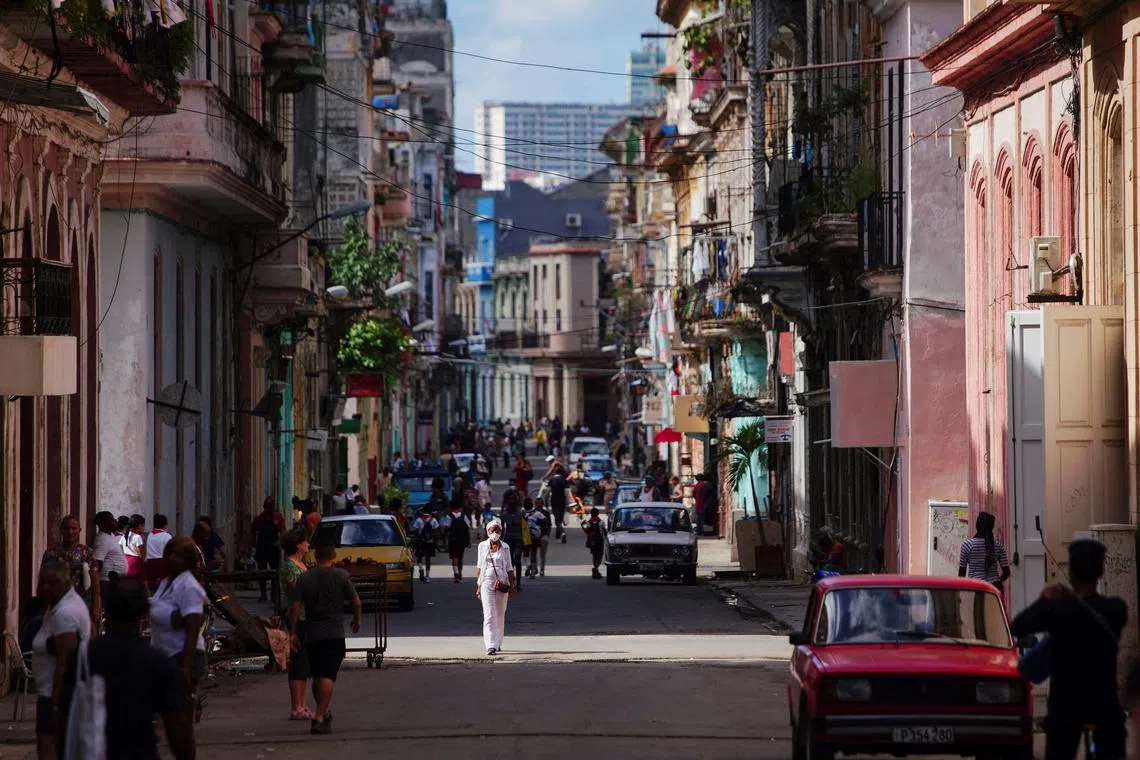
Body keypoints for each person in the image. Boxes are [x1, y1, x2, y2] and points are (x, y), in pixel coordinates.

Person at [1010, 539, 1128, 760]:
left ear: (1071, 571)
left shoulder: (1058, 611)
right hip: (1104, 706)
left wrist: (1045, 599)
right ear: (1101, 570)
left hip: (1066, 707)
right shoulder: (1115, 610)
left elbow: (1018, 626)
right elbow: (1090, 611)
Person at [59, 576, 193, 760]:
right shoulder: (157, 661)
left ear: (106, 608)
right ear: (144, 612)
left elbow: (64, 716)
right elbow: (176, 725)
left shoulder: (84, 655)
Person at [288, 539, 361, 735]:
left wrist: (292, 632)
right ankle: (319, 717)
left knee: (318, 676)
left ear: (315, 556)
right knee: (327, 676)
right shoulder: (341, 576)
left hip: (312, 634)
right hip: (334, 633)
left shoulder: (305, 578)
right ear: (333, 556)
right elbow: (356, 601)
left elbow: (295, 607)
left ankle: (324, 710)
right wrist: (357, 620)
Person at [148, 536, 208, 759]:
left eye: (178, 555)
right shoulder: (166, 583)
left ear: (189, 561)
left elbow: (193, 629)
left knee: (180, 722)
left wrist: (185, 668)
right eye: (169, 553)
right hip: (164, 656)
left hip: (182, 656)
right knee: (170, 721)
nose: (171, 558)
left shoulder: (188, 586)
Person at [32, 560, 91, 760]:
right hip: (52, 692)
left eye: (53, 583)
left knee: (50, 744)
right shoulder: (56, 606)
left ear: (67, 584)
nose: (46, 588)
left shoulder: (65, 612)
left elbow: (65, 662)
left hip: (55, 693)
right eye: (43, 583)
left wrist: (58, 704)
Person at [279, 530, 314, 720]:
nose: (308, 545)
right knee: (298, 662)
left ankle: (303, 704)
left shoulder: (302, 564)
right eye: (305, 542)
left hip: (306, 617)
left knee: (305, 664)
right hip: (296, 617)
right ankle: (296, 706)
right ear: (298, 545)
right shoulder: (290, 566)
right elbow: (296, 591)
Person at [41, 516, 101, 625]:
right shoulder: (51, 553)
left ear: (79, 530)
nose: (70, 532)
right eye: (67, 528)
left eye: (74, 528)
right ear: (61, 530)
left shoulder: (87, 552)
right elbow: (43, 579)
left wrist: (96, 607)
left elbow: (95, 580)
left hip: (82, 602)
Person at [475, 519, 517, 656]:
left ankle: (498, 641)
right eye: (492, 530)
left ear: (501, 531)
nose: (495, 533)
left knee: (499, 614)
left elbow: (509, 567)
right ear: (487, 531)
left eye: (497, 530)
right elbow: (479, 566)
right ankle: (490, 645)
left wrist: (512, 585)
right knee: (489, 615)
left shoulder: (505, 547)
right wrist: (478, 585)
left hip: (502, 583)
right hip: (486, 582)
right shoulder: (482, 546)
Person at [958, 512, 1011, 590]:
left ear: (977, 526)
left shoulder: (967, 545)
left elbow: (962, 573)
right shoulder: (998, 545)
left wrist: (961, 590)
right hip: (994, 588)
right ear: (992, 527)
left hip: (976, 586)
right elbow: (1006, 572)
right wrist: (999, 581)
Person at [251, 497, 286, 602]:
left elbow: (283, 532)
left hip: (273, 548)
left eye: (270, 508)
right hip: (262, 547)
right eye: (267, 508)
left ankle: (274, 595)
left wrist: (279, 543)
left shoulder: (278, 518)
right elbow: (252, 532)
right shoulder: (259, 518)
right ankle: (263, 594)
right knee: (262, 572)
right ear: (264, 507)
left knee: (275, 572)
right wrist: (253, 545)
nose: (268, 510)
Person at [93, 511, 130, 605]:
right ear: (104, 523)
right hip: (107, 581)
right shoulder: (102, 539)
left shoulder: (110, 535)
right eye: (112, 519)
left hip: (115, 580)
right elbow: (98, 563)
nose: (115, 520)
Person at [500, 490, 527, 590]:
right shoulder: (504, 514)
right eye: (510, 499)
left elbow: (525, 528)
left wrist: (525, 541)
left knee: (517, 559)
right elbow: (502, 529)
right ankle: (512, 580)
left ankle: (518, 582)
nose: (512, 501)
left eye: (513, 499)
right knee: (509, 561)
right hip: (508, 540)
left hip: (518, 539)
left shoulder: (521, 513)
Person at [443, 500, 472, 583]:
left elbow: (446, 529)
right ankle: (460, 573)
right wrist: (469, 540)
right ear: (459, 508)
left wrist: (445, 541)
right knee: (460, 557)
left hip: (453, 539)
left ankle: (456, 575)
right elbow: (468, 528)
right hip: (462, 540)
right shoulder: (463, 516)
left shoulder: (449, 516)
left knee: (454, 557)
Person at [144, 514, 173, 592]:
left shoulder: (150, 535)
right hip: (162, 564)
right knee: (163, 589)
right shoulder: (167, 536)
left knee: (153, 588)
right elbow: (170, 551)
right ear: (165, 525)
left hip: (150, 564)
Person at [410, 509, 439, 582]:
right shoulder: (434, 520)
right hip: (430, 542)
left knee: (419, 557)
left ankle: (421, 570)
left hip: (421, 541)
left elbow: (415, 532)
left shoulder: (418, 520)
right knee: (428, 558)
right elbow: (436, 532)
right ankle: (427, 576)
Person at [581, 508, 606, 579]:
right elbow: (604, 531)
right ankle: (596, 568)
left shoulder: (588, 522)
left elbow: (585, 530)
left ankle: (595, 569)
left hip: (592, 542)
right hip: (600, 541)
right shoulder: (601, 522)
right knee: (600, 555)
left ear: (591, 514)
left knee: (594, 555)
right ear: (598, 514)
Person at [547, 464, 569, 543]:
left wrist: (546, 503)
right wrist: (568, 503)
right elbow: (567, 492)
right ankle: (558, 535)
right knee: (559, 518)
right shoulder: (564, 480)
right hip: (562, 501)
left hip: (554, 501)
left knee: (557, 519)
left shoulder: (551, 480)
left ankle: (562, 533)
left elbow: (548, 492)